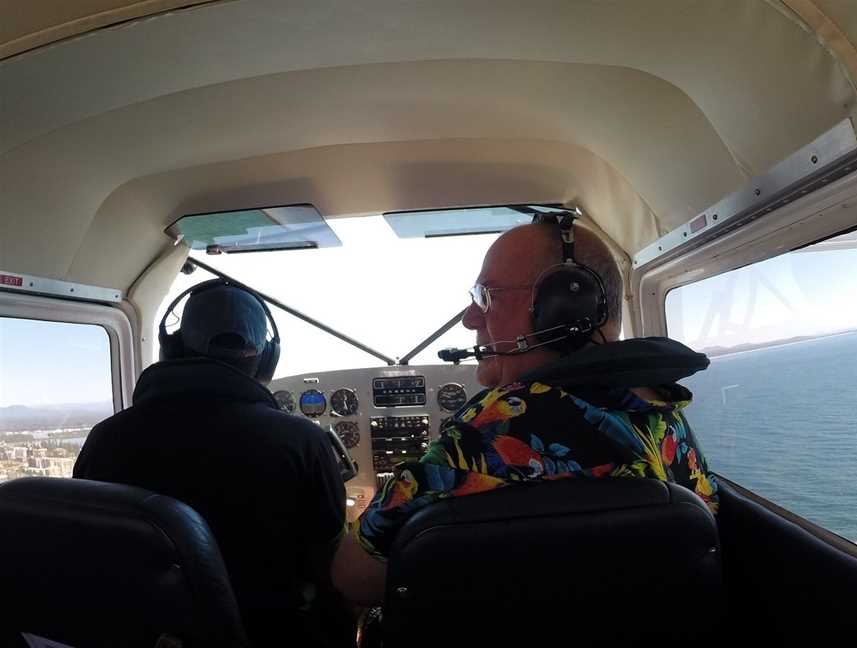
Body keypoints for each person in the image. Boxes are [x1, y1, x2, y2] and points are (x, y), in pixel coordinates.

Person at [332, 215, 719, 605]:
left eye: (487, 296)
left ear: (563, 307)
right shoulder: (666, 414)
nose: (469, 318)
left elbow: (352, 577)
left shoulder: (493, 426)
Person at [74, 279, 353, 647]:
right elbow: (334, 569)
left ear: (171, 350)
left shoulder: (104, 439)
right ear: (266, 359)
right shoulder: (303, 442)